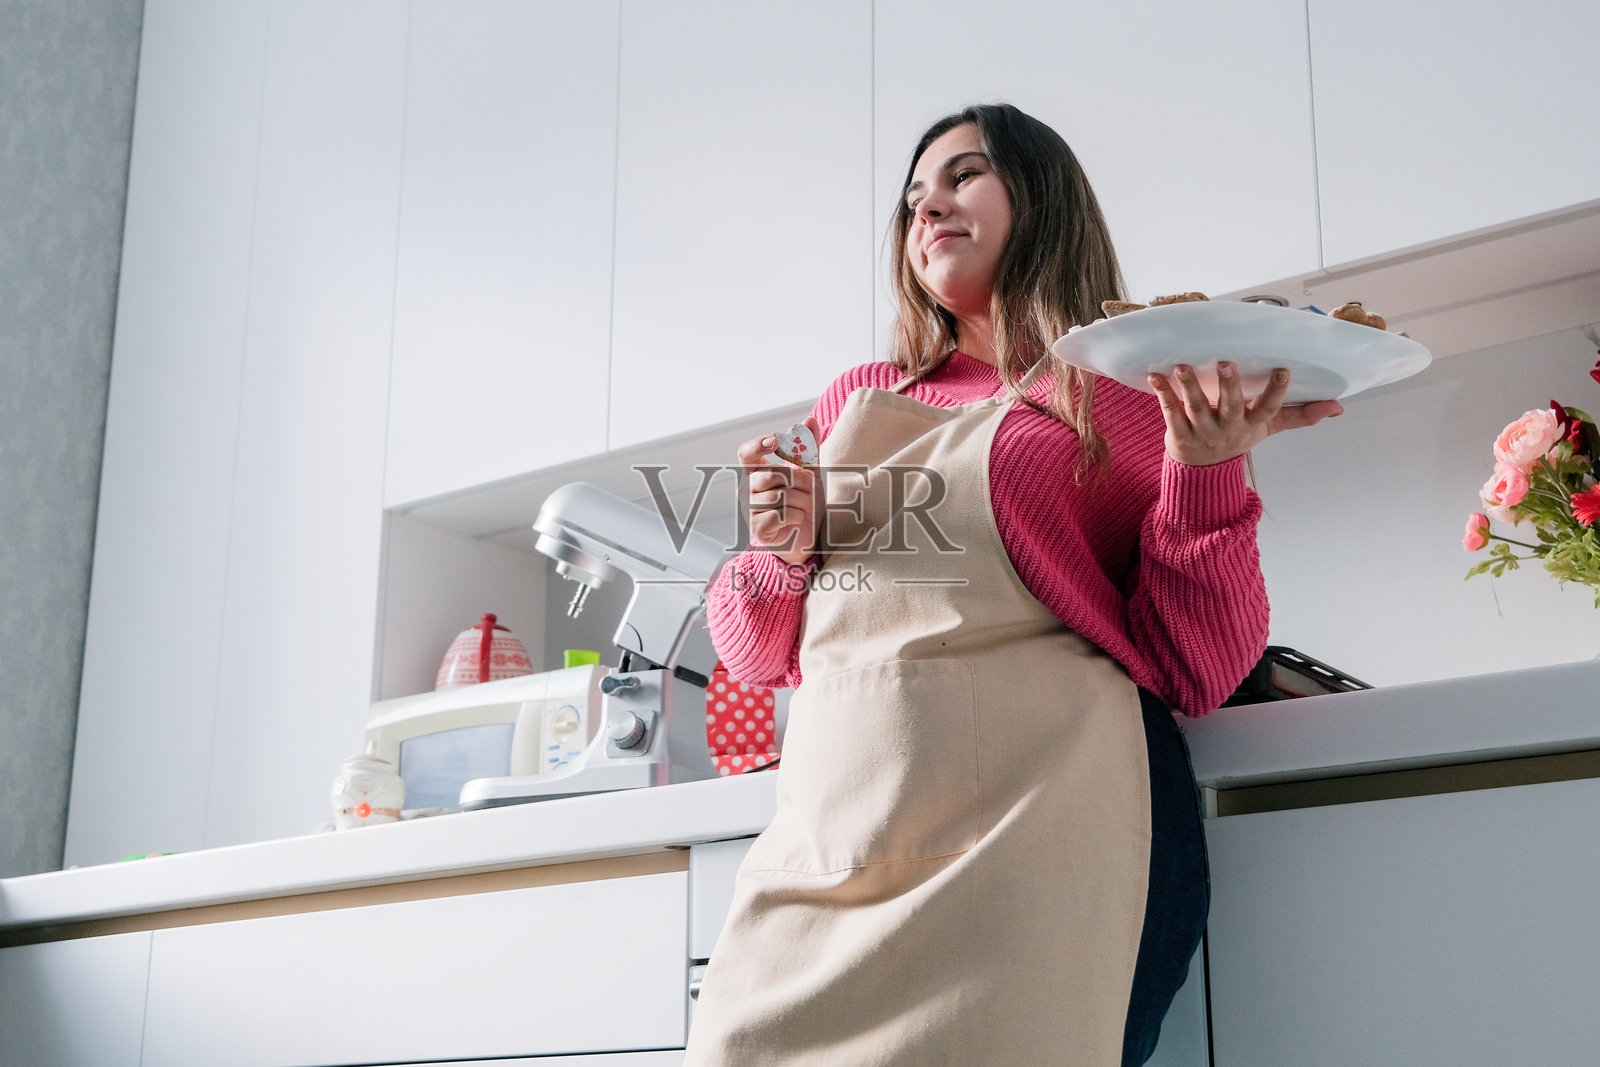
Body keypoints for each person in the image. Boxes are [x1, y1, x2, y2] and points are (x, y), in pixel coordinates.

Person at [684, 103, 1341, 1066]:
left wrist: (1205, 468)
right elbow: (754, 651)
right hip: (835, 847)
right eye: (913, 198)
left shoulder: (1130, 391)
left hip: (1039, 845)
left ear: (1041, 200)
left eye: (962, 177)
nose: (928, 208)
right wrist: (779, 546)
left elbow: (1196, 666)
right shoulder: (860, 400)